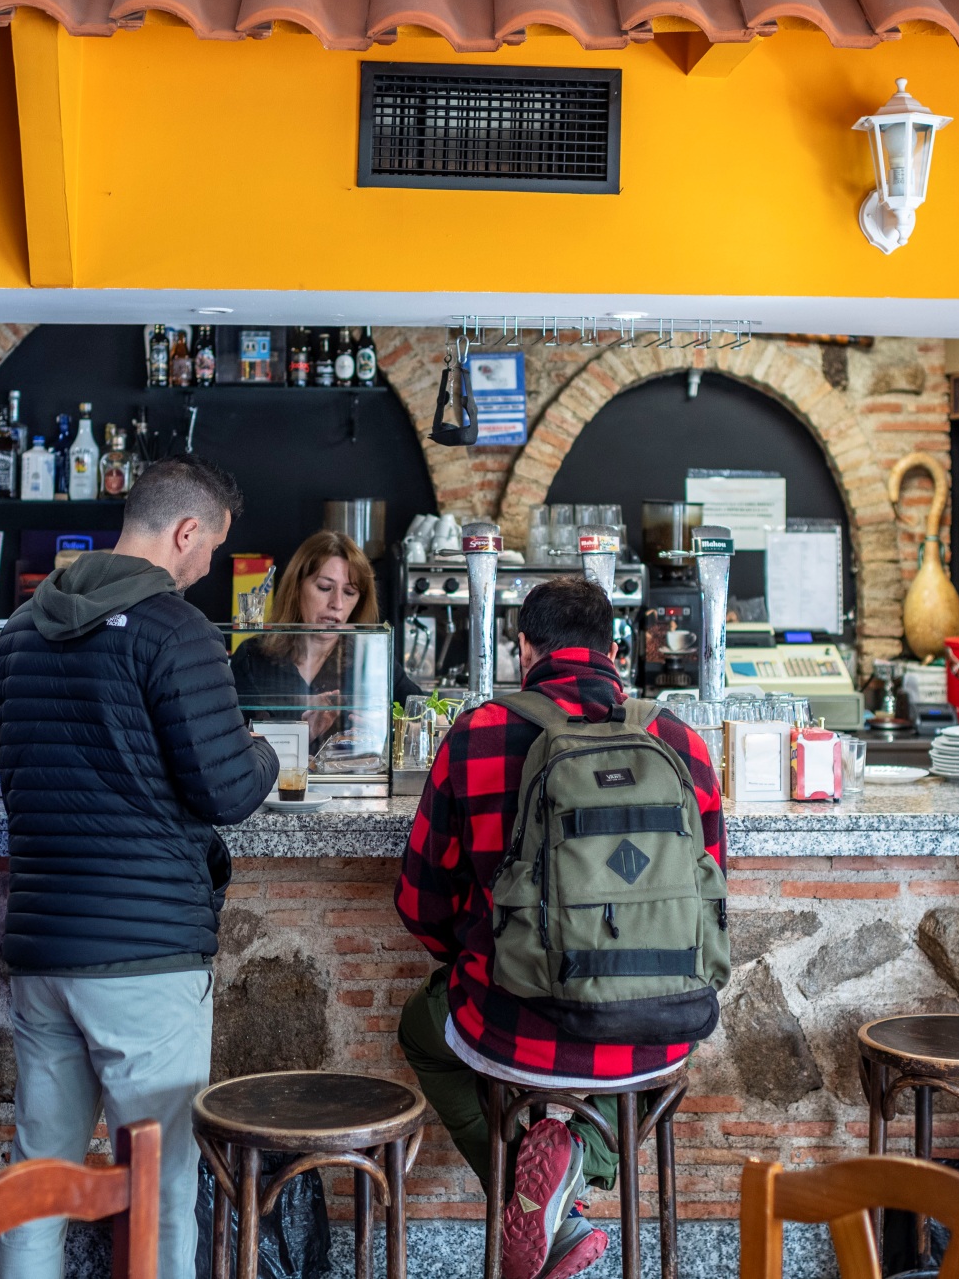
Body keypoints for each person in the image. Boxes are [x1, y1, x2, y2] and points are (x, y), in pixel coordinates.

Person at [0, 456, 278, 1279]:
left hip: (43, 949)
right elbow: (225, 788)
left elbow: (19, 781)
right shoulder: (174, 631)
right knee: (160, 1185)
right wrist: (263, 750)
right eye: (211, 548)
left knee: (37, 1178)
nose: (207, 566)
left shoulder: (17, 634)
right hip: (146, 958)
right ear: (186, 531)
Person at [393, 576, 726, 1279]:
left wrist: (480, 954)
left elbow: (419, 901)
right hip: (652, 1030)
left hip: (511, 1022)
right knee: (661, 1066)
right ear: (616, 646)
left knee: (421, 1031)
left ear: (523, 648)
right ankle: (585, 1154)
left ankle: (542, 1200)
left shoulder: (477, 734)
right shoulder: (681, 741)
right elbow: (710, 900)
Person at [227, 530, 417, 751]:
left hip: (354, 786)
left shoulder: (370, 659)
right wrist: (300, 733)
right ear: (296, 588)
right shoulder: (253, 657)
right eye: (325, 588)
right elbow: (233, 747)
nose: (337, 603)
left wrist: (390, 730)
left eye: (349, 592)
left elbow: (430, 716)